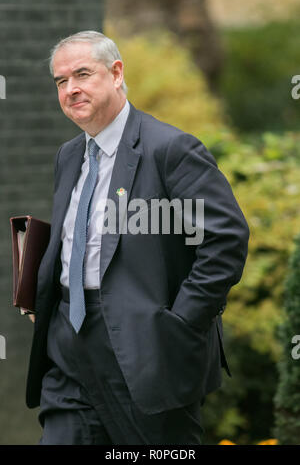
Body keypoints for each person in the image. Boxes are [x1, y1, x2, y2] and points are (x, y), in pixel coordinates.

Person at [25, 31, 249, 445]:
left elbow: (226, 239)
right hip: (67, 350)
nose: (71, 89)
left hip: (146, 352)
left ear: (116, 73)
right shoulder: (68, 155)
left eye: (82, 74)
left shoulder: (172, 149)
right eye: (61, 81)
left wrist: (179, 324)